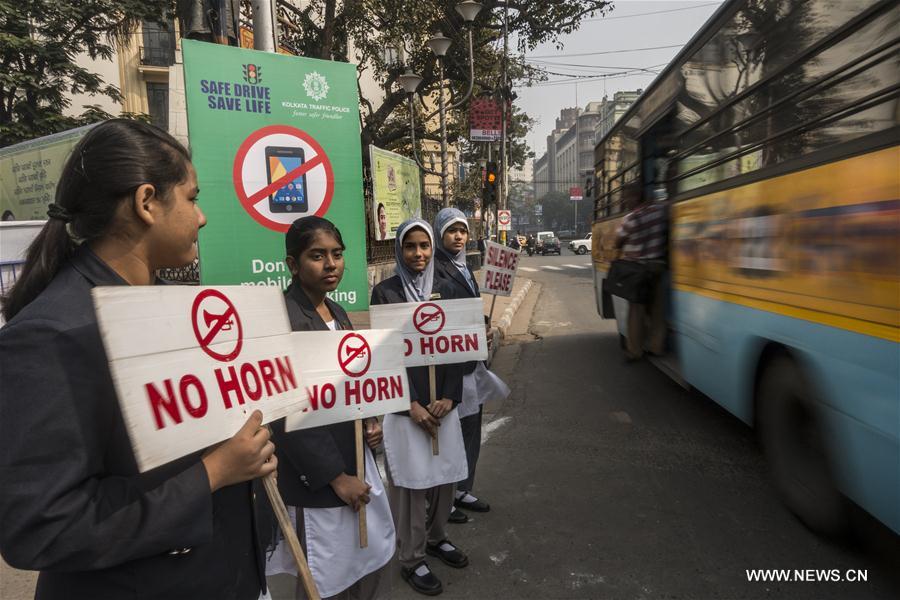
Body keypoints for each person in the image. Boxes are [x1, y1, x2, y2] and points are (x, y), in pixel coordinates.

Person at [0, 119, 277, 600]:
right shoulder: (52, 334)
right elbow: (40, 525)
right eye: (191, 198)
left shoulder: (181, 308)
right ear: (147, 202)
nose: (202, 217)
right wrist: (212, 473)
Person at [265, 216, 395, 599]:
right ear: (293, 264)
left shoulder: (336, 312)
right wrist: (336, 477)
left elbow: (351, 381)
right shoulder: (284, 319)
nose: (331, 264)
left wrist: (370, 419)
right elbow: (288, 412)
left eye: (337, 254)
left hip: (355, 458)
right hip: (319, 479)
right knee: (324, 578)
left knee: (364, 560)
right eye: (317, 255)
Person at [370, 219, 469, 597]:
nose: (418, 254)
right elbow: (385, 356)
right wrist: (409, 404)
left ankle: (437, 537)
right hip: (406, 411)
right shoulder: (386, 294)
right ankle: (411, 557)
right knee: (410, 487)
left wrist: (450, 397)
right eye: (409, 246)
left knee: (445, 479)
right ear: (399, 250)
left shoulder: (447, 289)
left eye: (424, 246)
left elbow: (458, 348)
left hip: (442, 407)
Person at [432, 208, 507, 526]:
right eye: (451, 231)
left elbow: (469, 308)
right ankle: (444, 499)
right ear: (439, 234)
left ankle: (463, 489)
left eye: (462, 230)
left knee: (471, 427)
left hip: (472, 361)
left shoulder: (464, 266)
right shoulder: (434, 268)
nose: (459, 236)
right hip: (451, 365)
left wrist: (483, 324)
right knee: (451, 432)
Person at [614, 182, 670, 360]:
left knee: (636, 311)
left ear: (635, 197)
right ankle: (656, 347)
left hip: (637, 270)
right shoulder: (660, 211)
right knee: (657, 310)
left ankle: (635, 350)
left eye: (626, 198)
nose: (624, 201)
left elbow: (617, 241)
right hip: (657, 267)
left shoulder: (630, 219)